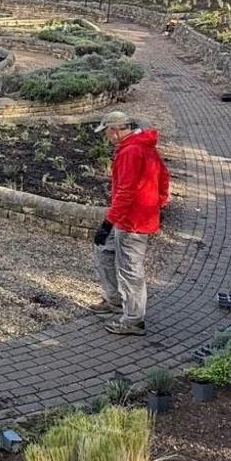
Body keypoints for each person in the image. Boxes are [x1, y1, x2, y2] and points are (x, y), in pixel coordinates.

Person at [90, 111, 170, 337]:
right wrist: (158, 204)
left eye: (106, 132)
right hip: (133, 217)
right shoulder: (144, 146)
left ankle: (133, 320)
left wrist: (108, 223)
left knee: (130, 270)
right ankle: (114, 300)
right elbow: (164, 178)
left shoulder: (131, 152)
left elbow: (125, 192)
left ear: (115, 131)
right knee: (104, 251)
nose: (106, 137)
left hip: (131, 222)